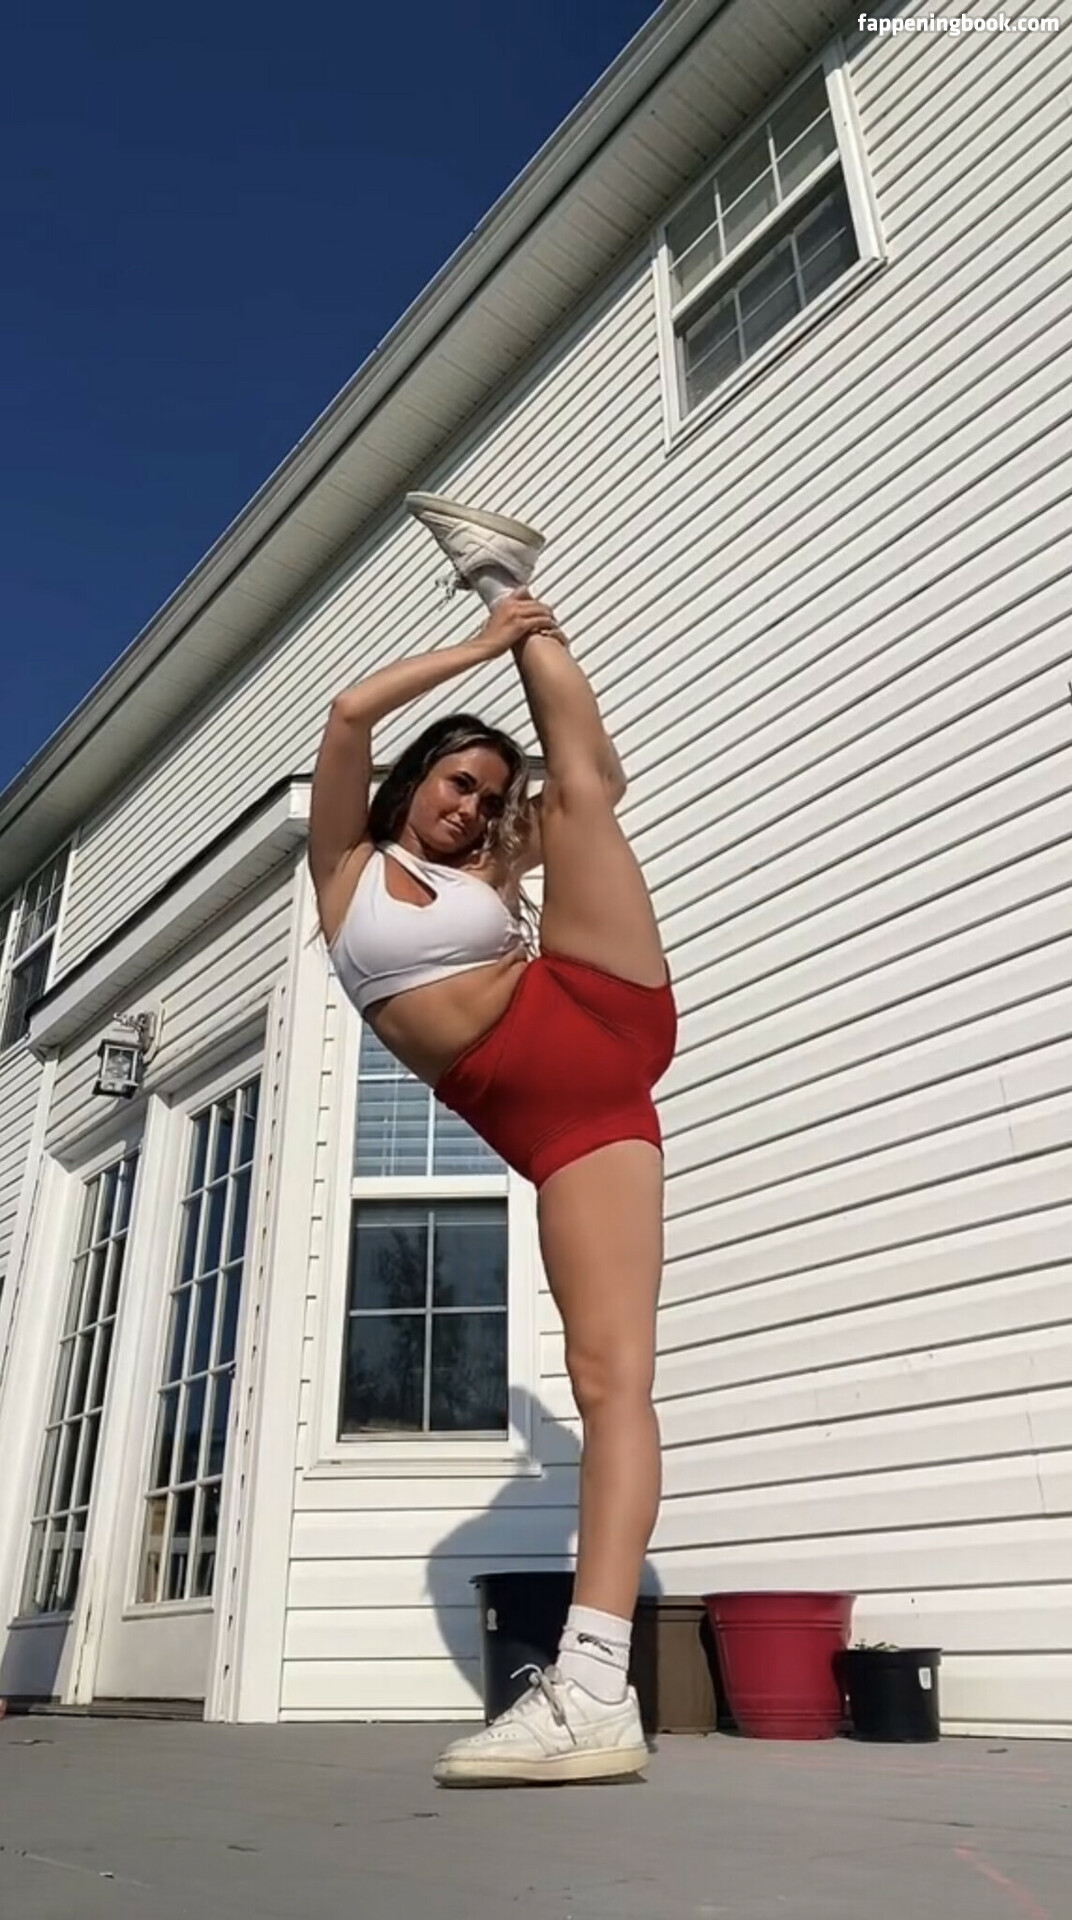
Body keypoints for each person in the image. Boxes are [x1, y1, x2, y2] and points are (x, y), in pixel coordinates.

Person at [308, 495, 677, 1786]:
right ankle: (598, 1701)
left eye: (485, 794)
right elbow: (347, 714)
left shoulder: (494, 881)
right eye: (458, 783)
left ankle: (590, 1686)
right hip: (567, 1120)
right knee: (603, 1374)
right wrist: (479, 655)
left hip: (589, 1017)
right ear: (417, 783)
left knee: (583, 795)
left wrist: (513, 639)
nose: (472, 808)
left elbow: (581, 780)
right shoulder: (346, 871)